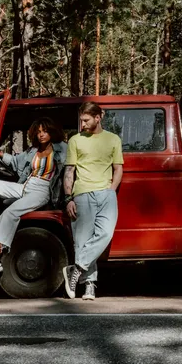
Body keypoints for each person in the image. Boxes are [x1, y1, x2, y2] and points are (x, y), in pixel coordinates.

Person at [0, 117, 67, 274]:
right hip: (26, 185)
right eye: (38, 132)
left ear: (52, 131)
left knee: (10, 212)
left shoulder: (62, 149)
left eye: (45, 131)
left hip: (43, 189)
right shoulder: (33, 151)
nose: (41, 135)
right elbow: (15, 161)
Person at [62, 101, 123, 300]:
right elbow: (69, 171)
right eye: (81, 120)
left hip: (106, 193)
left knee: (105, 233)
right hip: (82, 193)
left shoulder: (113, 139)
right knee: (82, 241)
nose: (82, 125)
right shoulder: (75, 140)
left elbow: (118, 168)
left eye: (86, 120)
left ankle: (76, 268)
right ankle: (89, 284)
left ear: (98, 117)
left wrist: (111, 190)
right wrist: (68, 198)